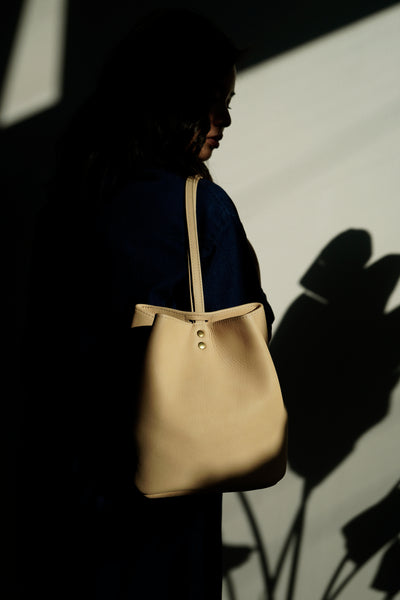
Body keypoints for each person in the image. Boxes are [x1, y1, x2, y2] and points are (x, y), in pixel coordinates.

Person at [22, 9, 275, 599]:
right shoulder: (200, 209)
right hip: (166, 484)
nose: (227, 120)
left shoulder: (69, 198)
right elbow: (247, 331)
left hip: (67, 474)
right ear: (174, 102)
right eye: (216, 100)